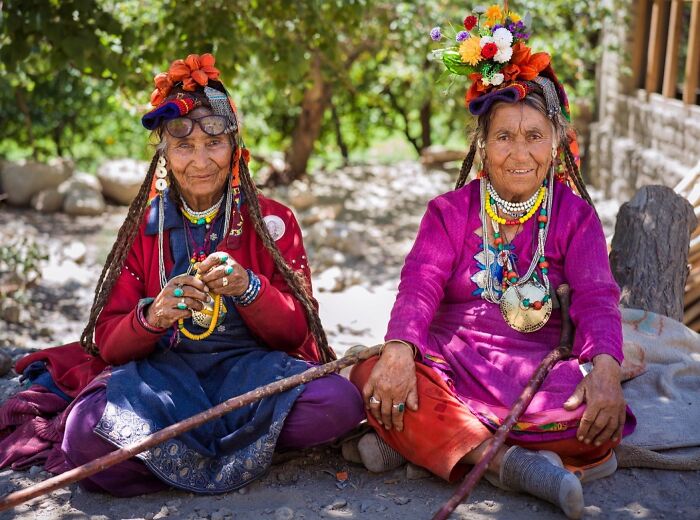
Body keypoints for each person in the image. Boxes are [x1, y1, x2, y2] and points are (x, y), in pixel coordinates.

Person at [0, 53, 364, 496]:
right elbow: (110, 340)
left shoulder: (273, 220)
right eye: (183, 146)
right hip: (163, 380)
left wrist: (250, 288)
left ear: (234, 147)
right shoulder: (142, 227)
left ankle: (170, 456)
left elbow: (295, 333)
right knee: (85, 433)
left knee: (339, 403)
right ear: (165, 155)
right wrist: (153, 316)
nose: (200, 160)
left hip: (251, 373)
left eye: (213, 144)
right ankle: (243, 449)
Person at [348, 7, 635, 519]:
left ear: (555, 145)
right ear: (482, 145)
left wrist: (606, 369)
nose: (519, 153)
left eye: (533, 136)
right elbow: (419, 288)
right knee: (369, 371)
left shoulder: (575, 217)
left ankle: (434, 446)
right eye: (504, 136)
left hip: (537, 372)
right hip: (450, 362)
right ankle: (510, 465)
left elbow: (596, 298)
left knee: (595, 421)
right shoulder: (448, 212)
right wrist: (397, 354)